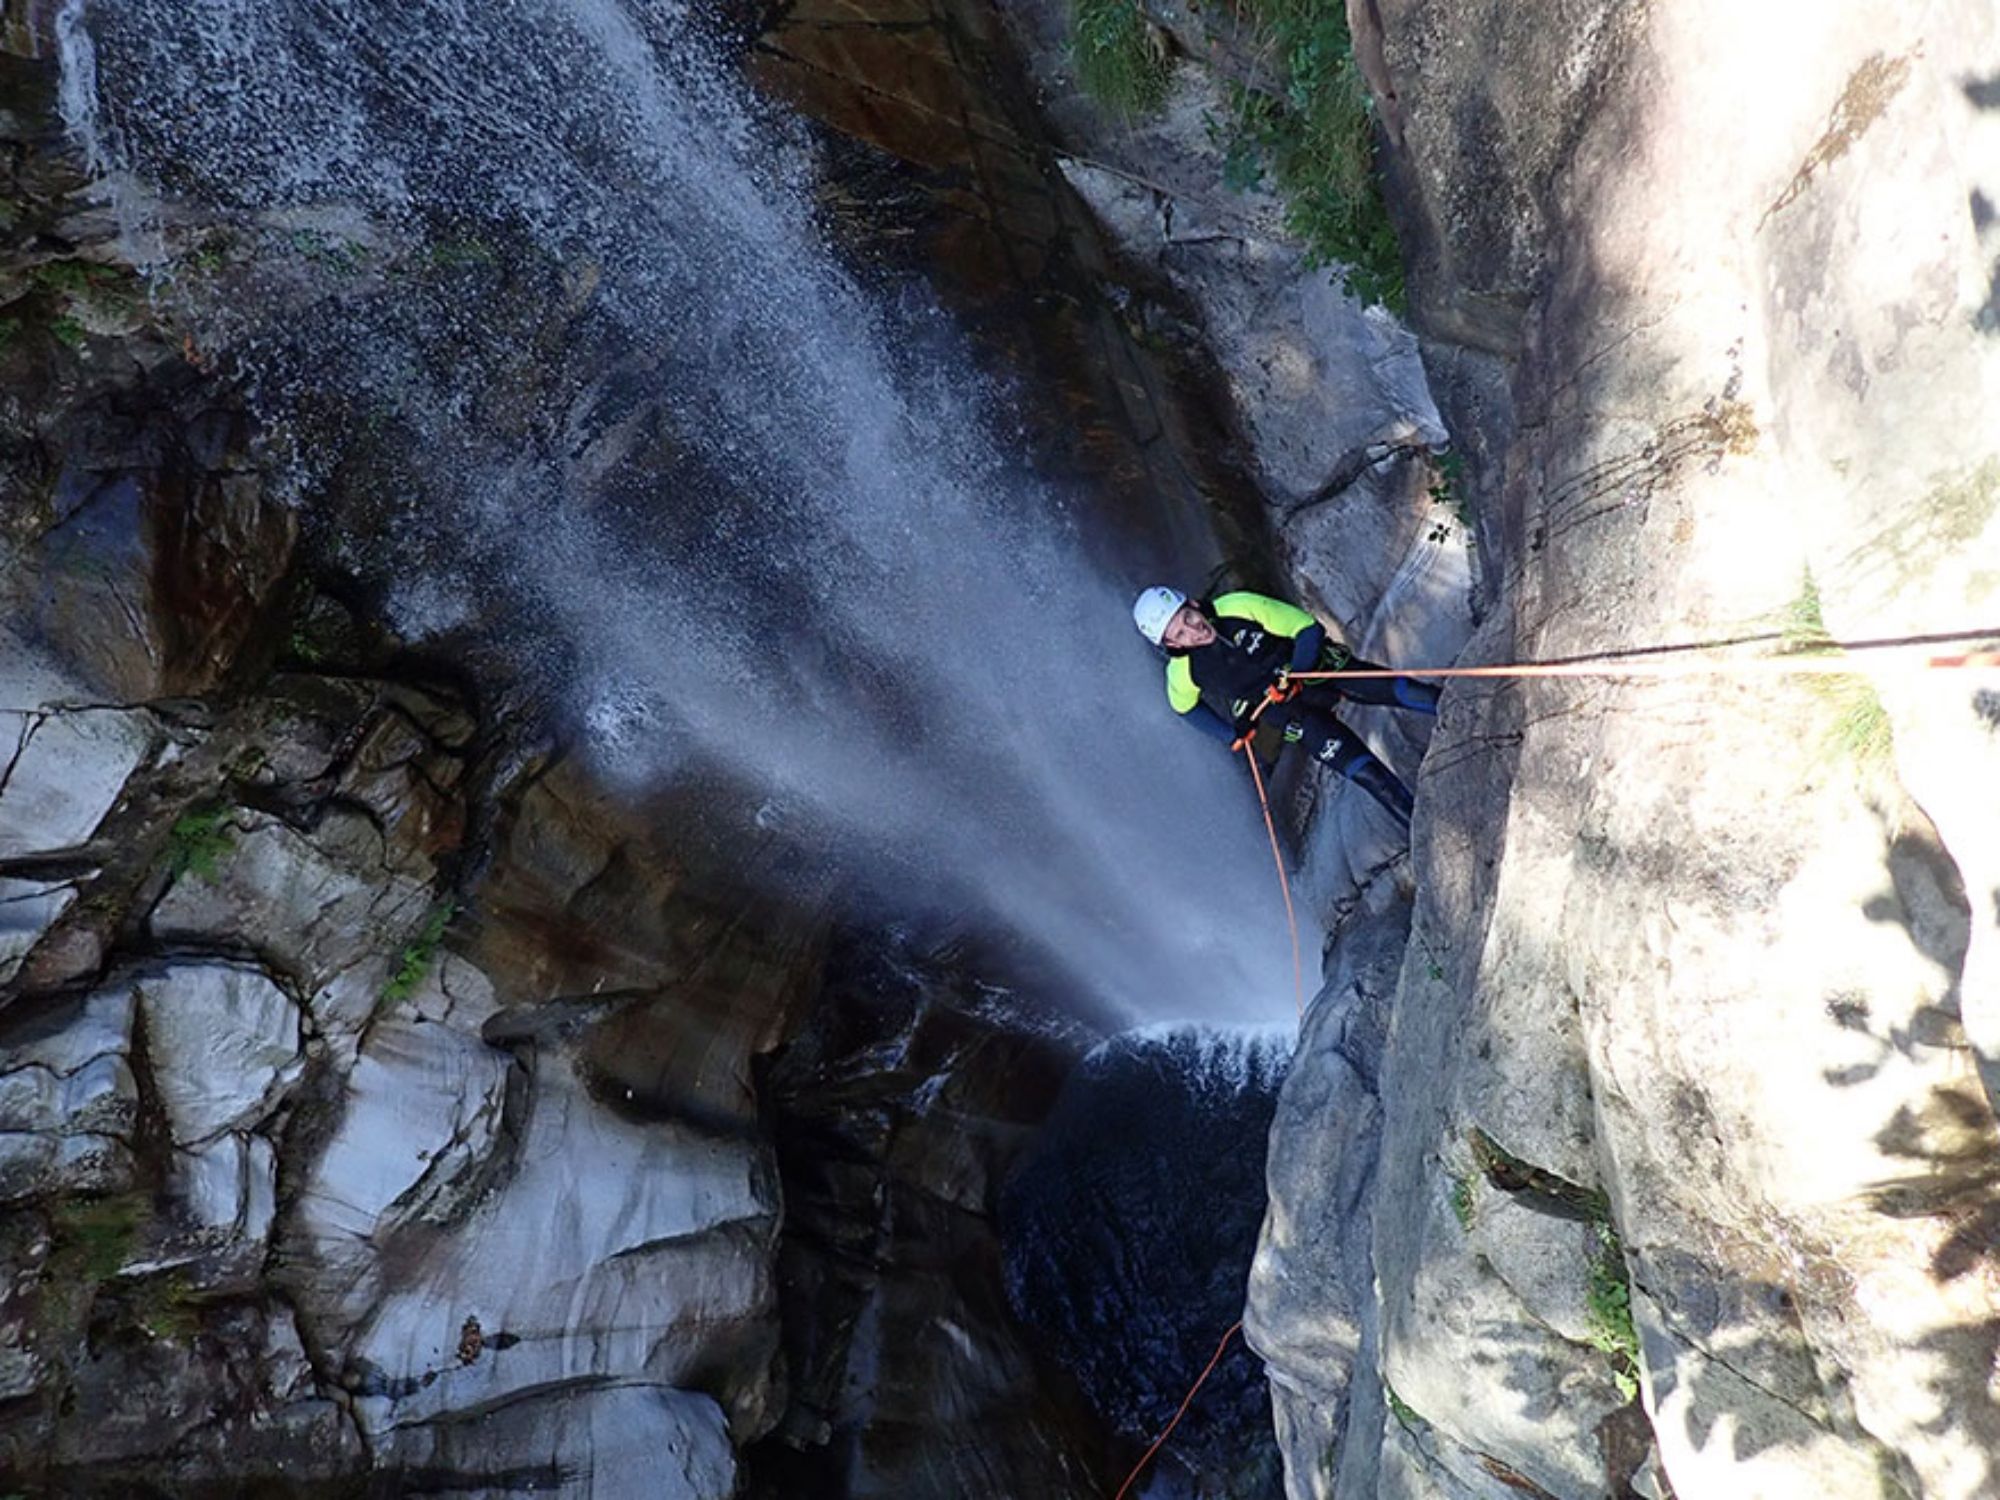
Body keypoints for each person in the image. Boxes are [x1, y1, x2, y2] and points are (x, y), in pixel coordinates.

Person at [1131, 585, 1438, 828]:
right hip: (1292, 716)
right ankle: (1427, 837)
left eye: (1187, 618)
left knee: (1408, 692)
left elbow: (1307, 629)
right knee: (1370, 779)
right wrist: (1231, 735)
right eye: (1180, 634)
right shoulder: (1183, 673)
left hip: (1319, 672)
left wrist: (1294, 674)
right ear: (1173, 645)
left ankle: (1470, 707)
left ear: (1193, 604)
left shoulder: (1236, 606)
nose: (1193, 631)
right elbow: (1185, 709)